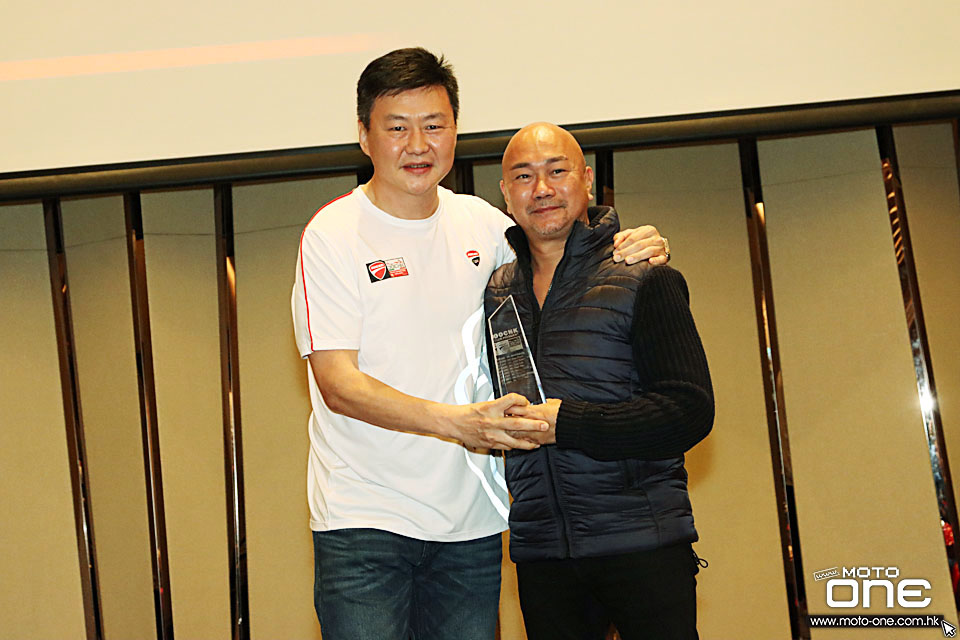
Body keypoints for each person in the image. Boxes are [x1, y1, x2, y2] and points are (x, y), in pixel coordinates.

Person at [291, 49, 668, 640]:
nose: (418, 145)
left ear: (455, 132)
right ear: (364, 135)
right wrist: (457, 423)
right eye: (397, 128)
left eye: (434, 125)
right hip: (364, 520)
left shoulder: (486, 226)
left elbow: (569, 254)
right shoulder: (333, 234)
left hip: (474, 522)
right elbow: (338, 384)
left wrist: (635, 243)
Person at [484, 122, 714, 640]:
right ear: (506, 194)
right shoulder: (497, 291)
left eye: (556, 171)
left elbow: (690, 409)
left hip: (643, 543)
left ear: (586, 180)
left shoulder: (644, 274)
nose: (542, 189)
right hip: (543, 554)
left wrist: (568, 424)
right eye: (523, 176)